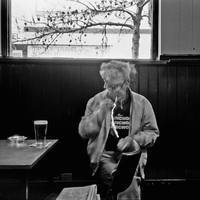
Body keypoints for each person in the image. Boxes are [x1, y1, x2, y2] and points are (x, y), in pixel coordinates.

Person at [78, 60, 159, 200]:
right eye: (107, 84)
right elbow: (83, 132)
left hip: (131, 157)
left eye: (115, 87)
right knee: (127, 181)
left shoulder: (142, 103)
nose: (109, 90)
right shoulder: (96, 101)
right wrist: (100, 113)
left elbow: (152, 133)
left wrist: (133, 139)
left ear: (127, 82)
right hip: (105, 157)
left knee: (124, 179)